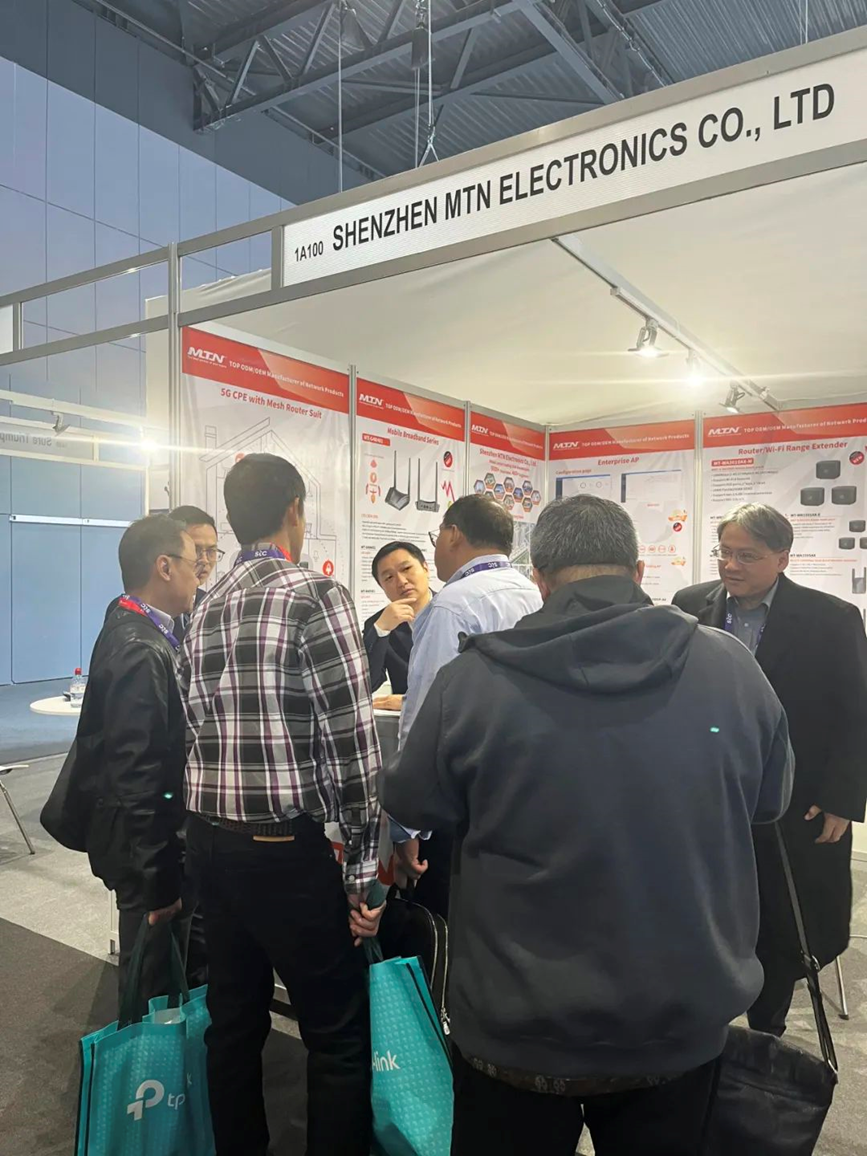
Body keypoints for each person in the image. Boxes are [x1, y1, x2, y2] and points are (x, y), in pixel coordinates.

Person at [385, 495, 794, 1156]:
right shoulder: (731, 667)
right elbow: (770, 800)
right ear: (637, 571)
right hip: (679, 1018)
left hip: (518, 1025)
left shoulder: (472, 680)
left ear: (540, 580)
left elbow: (415, 800)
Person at [180, 453, 383, 1156]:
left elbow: (193, 725)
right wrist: (363, 875)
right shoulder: (315, 595)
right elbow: (352, 742)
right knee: (336, 1031)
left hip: (210, 841)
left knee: (233, 1022)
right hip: (283, 851)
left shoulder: (203, 605)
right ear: (295, 508)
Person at [674, 502, 867, 1037]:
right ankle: (704, 1021)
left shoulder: (832, 619)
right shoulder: (688, 607)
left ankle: (767, 1033)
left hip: (795, 797)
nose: (730, 565)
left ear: (782, 558)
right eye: (724, 552)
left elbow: (856, 713)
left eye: (747, 556)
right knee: (709, 906)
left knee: (785, 918)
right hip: (709, 794)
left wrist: (842, 799)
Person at [46, 515, 200, 1014]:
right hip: (146, 848)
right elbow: (140, 773)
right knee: (151, 979)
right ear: (164, 567)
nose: (199, 575)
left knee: (157, 971)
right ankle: (143, 1063)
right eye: (194, 563)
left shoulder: (133, 628)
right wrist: (158, 877)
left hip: (142, 842)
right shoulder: (139, 647)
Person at [392, 494, 542, 918]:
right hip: (526, 795)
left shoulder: (452, 605)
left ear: (453, 534)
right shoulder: (535, 593)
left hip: (463, 805)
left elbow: (426, 715)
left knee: (446, 923)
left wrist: (407, 825)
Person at [105, 505, 222, 641]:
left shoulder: (211, 605)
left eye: (211, 551)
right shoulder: (129, 612)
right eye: (195, 549)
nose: (204, 560)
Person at [363, 540, 432, 707]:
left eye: (406, 569)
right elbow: (367, 684)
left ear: (425, 568)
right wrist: (381, 630)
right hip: (405, 721)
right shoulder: (380, 623)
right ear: (382, 587)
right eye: (389, 577)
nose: (401, 581)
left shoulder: (455, 610)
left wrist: (412, 702)